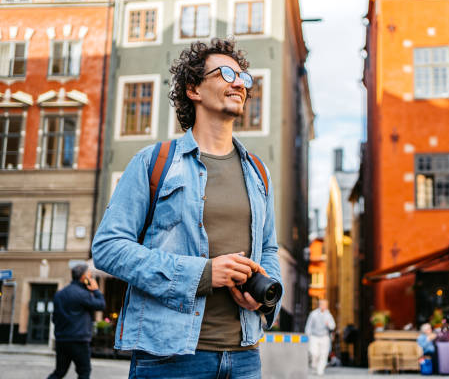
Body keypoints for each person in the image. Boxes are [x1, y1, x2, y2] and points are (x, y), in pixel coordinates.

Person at [92, 38, 282, 379]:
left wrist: (267, 299)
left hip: (244, 358)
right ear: (193, 88)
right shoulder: (154, 162)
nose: (239, 83)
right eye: (225, 74)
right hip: (170, 359)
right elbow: (108, 248)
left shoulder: (258, 171)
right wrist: (203, 274)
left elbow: (268, 248)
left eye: (243, 77)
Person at [47, 264, 106, 379]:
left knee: (59, 372)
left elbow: (54, 318)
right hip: (79, 340)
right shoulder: (83, 294)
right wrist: (96, 290)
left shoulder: (60, 294)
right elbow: (101, 305)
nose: (92, 278)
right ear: (84, 277)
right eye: (90, 275)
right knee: (84, 372)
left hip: (61, 340)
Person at [305, 299, 336, 376]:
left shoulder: (328, 315)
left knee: (324, 354)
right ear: (319, 305)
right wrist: (307, 335)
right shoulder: (313, 314)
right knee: (314, 353)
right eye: (322, 304)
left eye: (325, 305)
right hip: (314, 336)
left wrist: (328, 324)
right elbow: (308, 326)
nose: (324, 306)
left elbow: (333, 326)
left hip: (324, 337)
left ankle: (320, 370)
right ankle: (314, 366)